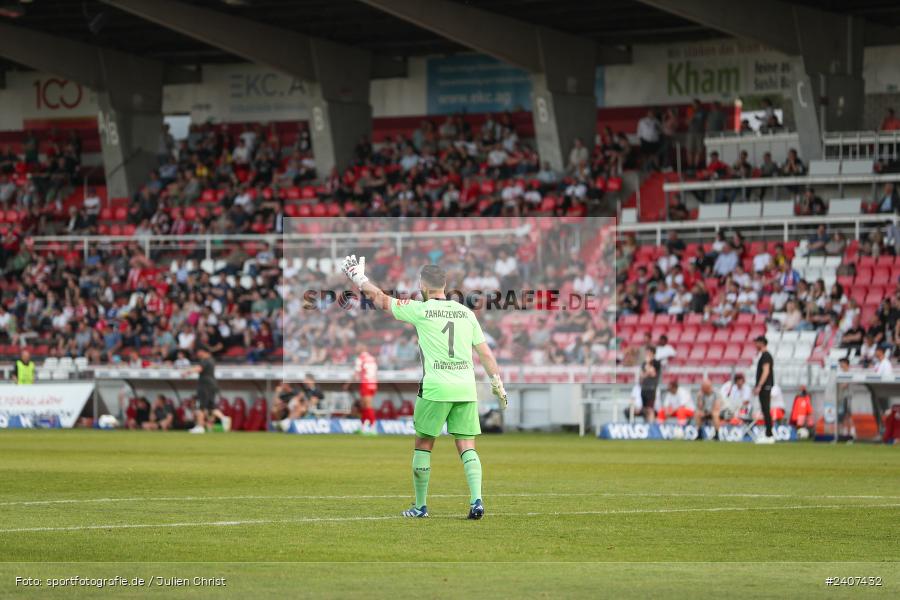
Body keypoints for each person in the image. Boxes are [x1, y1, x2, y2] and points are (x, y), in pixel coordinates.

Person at [340, 256, 507, 520]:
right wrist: (497, 381)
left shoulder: (421, 309)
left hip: (436, 387)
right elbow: (485, 353)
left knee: (424, 444)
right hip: (466, 387)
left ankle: (420, 507)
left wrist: (359, 278)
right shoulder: (466, 313)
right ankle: (477, 501)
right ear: (446, 285)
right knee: (466, 445)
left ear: (422, 285)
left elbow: (382, 300)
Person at [182, 347, 230, 434]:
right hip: (212, 385)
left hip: (205, 385)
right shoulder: (211, 360)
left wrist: (187, 372)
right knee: (211, 407)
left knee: (201, 406)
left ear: (204, 352)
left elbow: (199, 369)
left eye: (199, 351)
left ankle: (200, 427)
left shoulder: (205, 360)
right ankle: (224, 418)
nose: (198, 354)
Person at [349, 342, 379, 434]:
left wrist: (348, 383)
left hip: (366, 383)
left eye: (357, 347)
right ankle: (363, 427)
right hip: (373, 384)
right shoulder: (372, 358)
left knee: (367, 406)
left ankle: (373, 428)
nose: (355, 349)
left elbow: (357, 372)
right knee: (364, 405)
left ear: (362, 348)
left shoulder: (360, 358)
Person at [753, 336, 775, 444]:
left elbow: (765, 372)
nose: (755, 345)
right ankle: (768, 433)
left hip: (765, 386)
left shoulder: (766, 356)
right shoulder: (764, 356)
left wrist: (759, 385)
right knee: (765, 409)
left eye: (757, 342)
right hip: (765, 386)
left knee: (766, 410)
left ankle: (769, 434)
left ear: (761, 343)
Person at [638, 347, 661, 423]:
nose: (647, 354)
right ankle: (646, 425)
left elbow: (653, 373)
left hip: (651, 388)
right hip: (644, 388)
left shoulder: (656, 363)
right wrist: (647, 372)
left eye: (648, 352)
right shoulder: (644, 363)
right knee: (644, 409)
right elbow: (641, 376)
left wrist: (648, 365)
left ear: (652, 353)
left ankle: (651, 426)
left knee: (650, 409)